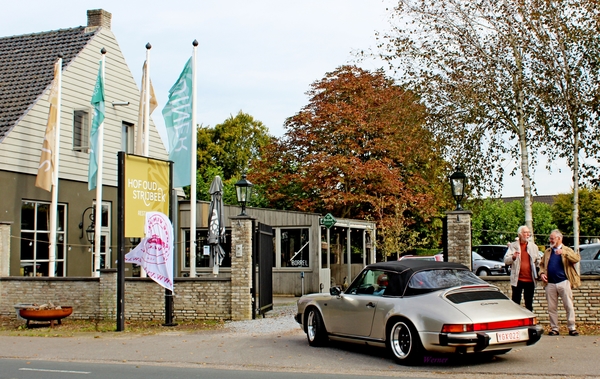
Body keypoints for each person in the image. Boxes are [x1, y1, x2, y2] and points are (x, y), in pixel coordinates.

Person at [539, 229, 581, 336]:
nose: (551, 240)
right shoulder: (548, 251)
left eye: (552, 238)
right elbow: (542, 265)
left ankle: (572, 328)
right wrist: (542, 273)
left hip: (564, 282)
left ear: (559, 238)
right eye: (550, 238)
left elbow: (576, 259)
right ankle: (554, 328)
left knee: (568, 305)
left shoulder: (567, 250)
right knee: (552, 307)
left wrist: (564, 253)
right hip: (550, 283)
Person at [504, 225, 540, 312]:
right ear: (520, 234)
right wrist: (513, 257)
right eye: (525, 232)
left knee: (529, 303)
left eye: (529, 233)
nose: (527, 235)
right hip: (517, 280)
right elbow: (506, 260)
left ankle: (530, 322)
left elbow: (538, 261)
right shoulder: (513, 246)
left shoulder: (534, 247)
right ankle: (516, 320)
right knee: (516, 302)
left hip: (530, 280)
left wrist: (539, 270)